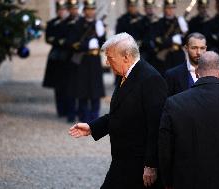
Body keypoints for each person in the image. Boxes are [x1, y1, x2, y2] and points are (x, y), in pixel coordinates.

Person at [69, 33, 167, 189]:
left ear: (126, 56)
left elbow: (157, 126)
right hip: (123, 160)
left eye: (110, 58)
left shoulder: (150, 79)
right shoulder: (127, 74)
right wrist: (92, 127)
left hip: (139, 164)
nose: (107, 62)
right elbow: (120, 113)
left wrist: (151, 165)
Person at [159, 51, 219, 189]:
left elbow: (165, 148)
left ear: (197, 73)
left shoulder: (174, 103)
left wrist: (167, 181)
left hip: (189, 181)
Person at [70, 0, 106, 123]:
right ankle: (83, 116)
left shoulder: (98, 24)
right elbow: (73, 44)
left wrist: (101, 35)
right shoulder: (78, 24)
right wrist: (87, 45)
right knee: (83, 89)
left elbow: (104, 44)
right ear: (84, 11)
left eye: (92, 9)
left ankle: (95, 116)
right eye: (88, 9)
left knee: (95, 89)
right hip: (83, 61)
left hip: (95, 60)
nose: (90, 12)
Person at [42, 0, 71, 118]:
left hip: (68, 56)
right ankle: (61, 110)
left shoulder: (71, 23)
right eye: (59, 10)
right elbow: (48, 38)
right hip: (56, 57)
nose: (61, 12)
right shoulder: (52, 23)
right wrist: (59, 41)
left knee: (68, 85)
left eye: (63, 9)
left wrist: (60, 40)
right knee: (57, 87)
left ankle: (68, 109)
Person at [148, 0, 187, 75]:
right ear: (164, 9)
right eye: (168, 8)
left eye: (172, 8)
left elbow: (185, 40)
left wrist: (184, 32)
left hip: (177, 53)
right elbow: (157, 40)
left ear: (175, 9)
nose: (170, 10)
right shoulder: (158, 23)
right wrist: (172, 40)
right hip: (163, 53)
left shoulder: (180, 22)